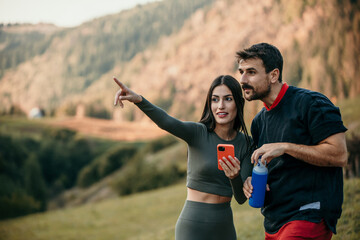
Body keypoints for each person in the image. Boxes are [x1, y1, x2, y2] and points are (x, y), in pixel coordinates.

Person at [113, 75, 254, 240]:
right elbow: (167, 122)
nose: (220, 106)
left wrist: (235, 177)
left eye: (228, 99)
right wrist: (139, 100)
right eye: (215, 100)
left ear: (238, 102)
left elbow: (241, 197)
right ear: (210, 104)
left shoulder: (247, 144)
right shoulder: (197, 133)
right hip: (193, 226)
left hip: (224, 227)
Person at [235, 42, 348, 240]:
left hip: (308, 213)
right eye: (241, 72)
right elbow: (271, 166)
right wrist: (251, 181)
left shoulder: (311, 103)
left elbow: (339, 154)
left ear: (273, 75)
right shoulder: (259, 122)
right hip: (274, 221)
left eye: (251, 72)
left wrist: (286, 147)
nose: (243, 79)